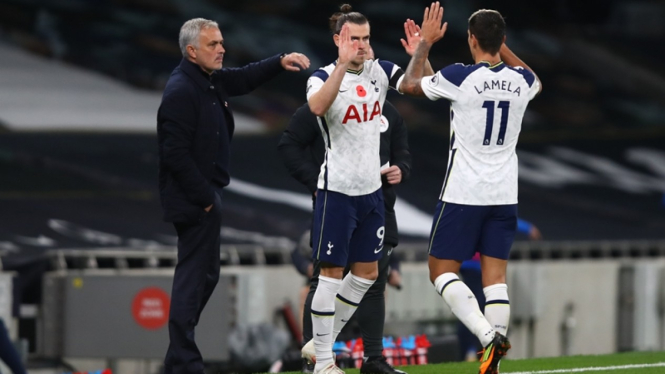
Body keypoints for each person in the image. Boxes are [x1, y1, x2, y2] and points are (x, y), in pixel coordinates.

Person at [157, 18, 310, 374]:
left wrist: (278, 61)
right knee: (193, 278)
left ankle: (176, 360)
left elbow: (241, 78)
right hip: (194, 199)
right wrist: (204, 198)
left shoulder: (207, 80)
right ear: (192, 51)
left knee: (205, 277)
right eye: (213, 44)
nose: (221, 49)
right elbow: (173, 153)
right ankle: (183, 362)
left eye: (221, 42)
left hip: (204, 195)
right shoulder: (181, 90)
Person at [398, 3, 542, 374]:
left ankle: (486, 336)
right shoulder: (522, 82)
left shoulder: (461, 76)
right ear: (503, 40)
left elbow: (411, 85)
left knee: (441, 270)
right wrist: (500, 46)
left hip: (464, 193)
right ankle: (491, 364)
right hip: (504, 194)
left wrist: (423, 46)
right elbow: (530, 75)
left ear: (470, 39)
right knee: (495, 279)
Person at [294, 4, 415, 374]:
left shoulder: (380, 71)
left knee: (366, 274)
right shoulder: (323, 75)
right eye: (353, 39)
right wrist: (344, 65)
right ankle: (324, 364)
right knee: (328, 275)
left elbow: (413, 85)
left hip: (371, 193)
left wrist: (419, 52)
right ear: (338, 40)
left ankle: (319, 345)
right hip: (337, 191)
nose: (361, 45)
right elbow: (316, 106)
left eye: (365, 38)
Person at [457, 219, 542, 361]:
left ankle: (476, 350)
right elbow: (503, 217)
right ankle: (472, 350)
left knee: (475, 307)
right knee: (477, 308)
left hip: (473, 264)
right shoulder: (479, 210)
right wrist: (528, 228)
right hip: (475, 266)